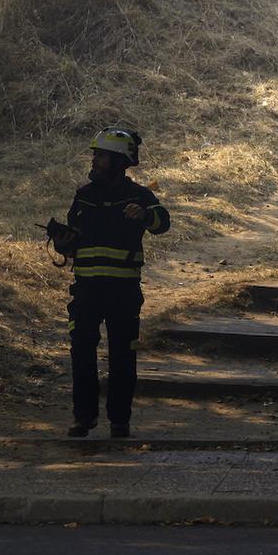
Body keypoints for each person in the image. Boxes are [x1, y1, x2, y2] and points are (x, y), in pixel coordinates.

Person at [59, 125, 169, 439]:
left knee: (123, 357)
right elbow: (72, 243)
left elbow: (164, 222)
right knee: (81, 352)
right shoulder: (84, 196)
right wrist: (62, 242)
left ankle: (120, 421)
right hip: (86, 291)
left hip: (123, 292)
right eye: (95, 155)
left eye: (102, 156)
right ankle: (84, 418)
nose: (94, 161)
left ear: (120, 161)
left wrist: (146, 216)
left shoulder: (139, 196)